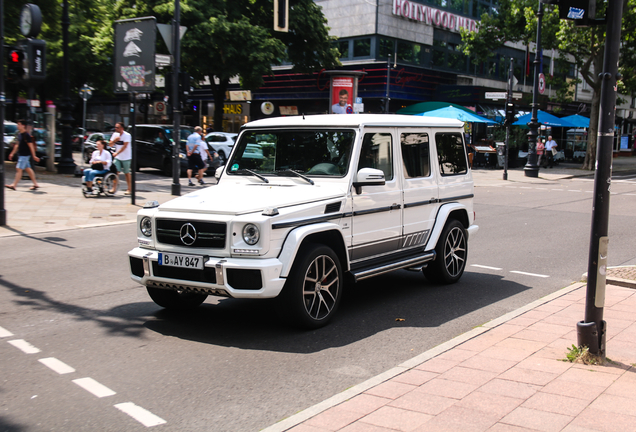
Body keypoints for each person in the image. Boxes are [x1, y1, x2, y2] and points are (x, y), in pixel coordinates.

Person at [5, 119, 40, 191]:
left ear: (23, 126)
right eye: (17, 124)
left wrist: (34, 156)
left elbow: (31, 146)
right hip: (21, 154)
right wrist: (12, 153)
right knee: (28, 169)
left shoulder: (26, 135)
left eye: (19, 124)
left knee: (19, 169)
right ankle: (35, 184)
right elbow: (17, 145)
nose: (18, 126)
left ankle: (14, 185)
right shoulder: (19, 134)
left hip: (25, 155)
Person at [109, 122, 132, 194]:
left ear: (122, 129)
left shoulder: (127, 135)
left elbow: (124, 146)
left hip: (126, 157)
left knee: (126, 173)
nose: (116, 129)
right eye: (115, 127)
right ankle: (114, 188)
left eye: (117, 127)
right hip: (118, 157)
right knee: (116, 172)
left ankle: (129, 189)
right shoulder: (115, 135)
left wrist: (117, 153)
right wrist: (114, 140)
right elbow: (110, 145)